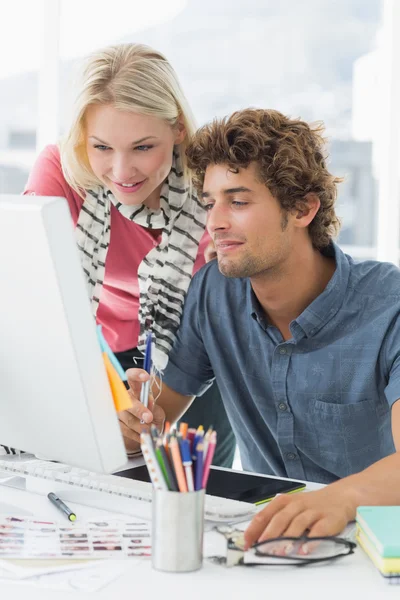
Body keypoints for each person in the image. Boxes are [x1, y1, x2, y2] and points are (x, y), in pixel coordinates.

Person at [125, 108, 400, 549]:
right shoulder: (213, 291)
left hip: (373, 539)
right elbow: (161, 412)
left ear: (303, 208)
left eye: (238, 201)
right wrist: (140, 417)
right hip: (264, 539)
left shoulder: (389, 304)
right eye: (210, 201)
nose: (214, 222)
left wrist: (342, 497)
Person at [23, 43, 235, 468]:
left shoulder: (212, 186)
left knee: (193, 496)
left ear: (177, 129)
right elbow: (31, 281)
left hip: (194, 362)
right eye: (101, 147)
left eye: (142, 148)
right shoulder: (63, 170)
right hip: (97, 353)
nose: (121, 172)